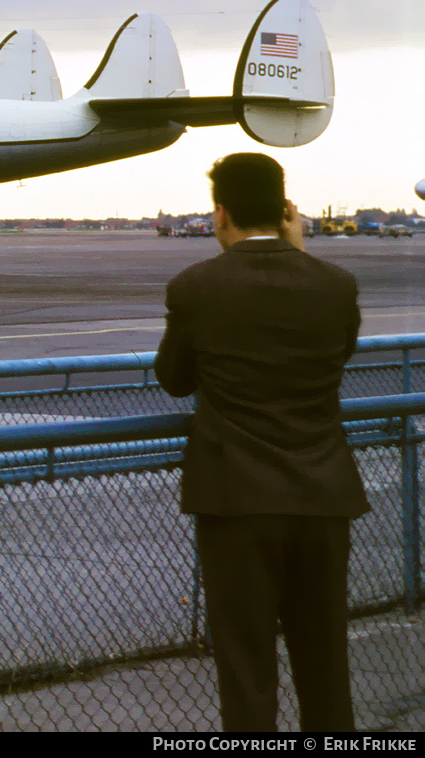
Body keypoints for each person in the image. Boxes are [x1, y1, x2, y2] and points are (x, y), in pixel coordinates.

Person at [154, 152, 367, 732]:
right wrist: (298, 256)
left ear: (220, 213)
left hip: (236, 498)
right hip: (324, 496)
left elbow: (174, 380)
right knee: (325, 660)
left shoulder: (195, 287)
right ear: (285, 209)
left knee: (247, 669)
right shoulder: (335, 284)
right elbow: (336, 358)